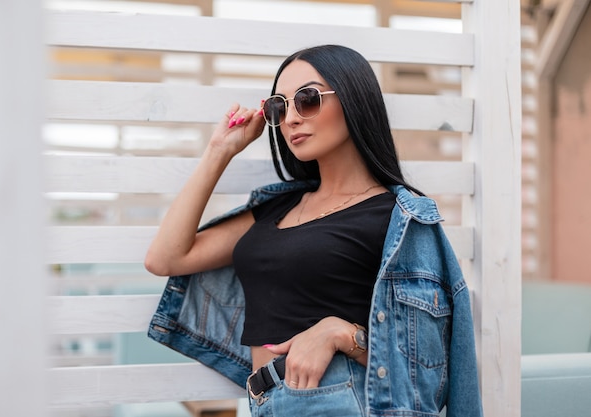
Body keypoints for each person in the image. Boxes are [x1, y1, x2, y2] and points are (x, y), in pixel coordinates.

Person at [145, 45, 483, 417]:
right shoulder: (277, 208)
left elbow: (422, 365)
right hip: (265, 402)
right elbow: (166, 258)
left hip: (339, 401)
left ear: (353, 100)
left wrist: (341, 334)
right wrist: (220, 151)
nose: (291, 118)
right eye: (279, 106)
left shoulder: (399, 220)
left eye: (307, 100)